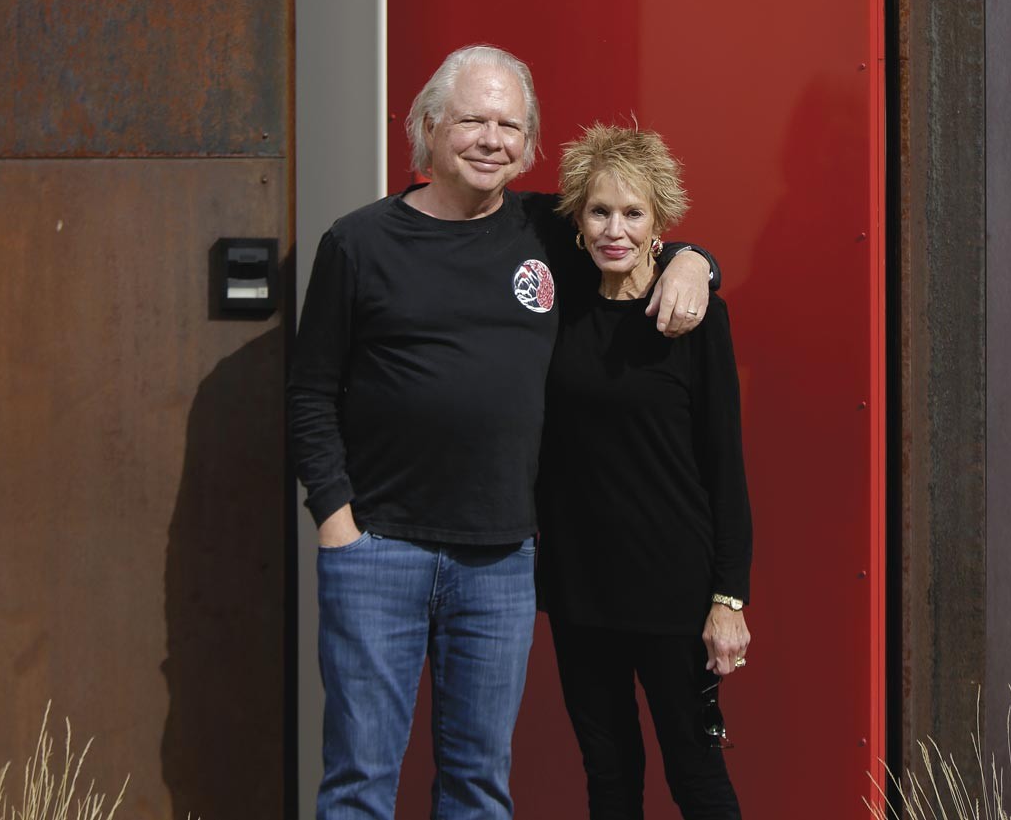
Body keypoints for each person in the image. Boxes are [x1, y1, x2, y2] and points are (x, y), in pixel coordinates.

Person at [287, 46, 716, 820]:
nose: (492, 139)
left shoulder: (545, 230)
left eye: (510, 125)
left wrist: (695, 261)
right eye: (474, 120)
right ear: (427, 127)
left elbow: (629, 222)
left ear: (528, 144)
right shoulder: (358, 244)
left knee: (479, 787)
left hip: (501, 561)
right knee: (359, 782)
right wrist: (337, 519)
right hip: (378, 547)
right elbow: (309, 391)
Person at [537, 124, 753, 820]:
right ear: (577, 217)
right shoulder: (556, 309)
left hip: (673, 589)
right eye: (600, 211)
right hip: (579, 588)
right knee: (608, 774)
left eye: (633, 213)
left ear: (660, 221)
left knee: (696, 776)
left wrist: (730, 598)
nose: (615, 229)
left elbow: (726, 464)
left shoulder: (694, 318)